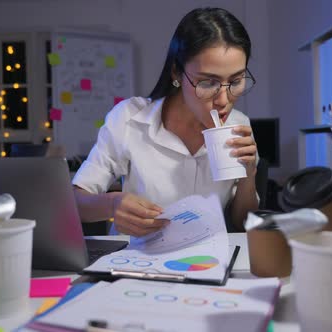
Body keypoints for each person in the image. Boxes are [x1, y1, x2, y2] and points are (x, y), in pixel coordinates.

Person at [72, 7, 259, 237]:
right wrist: (112, 205)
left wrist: (248, 175)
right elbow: (75, 203)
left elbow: (243, 223)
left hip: (205, 261)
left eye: (236, 81)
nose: (224, 100)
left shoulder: (239, 125)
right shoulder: (129, 119)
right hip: (135, 262)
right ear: (177, 74)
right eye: (208, 82)